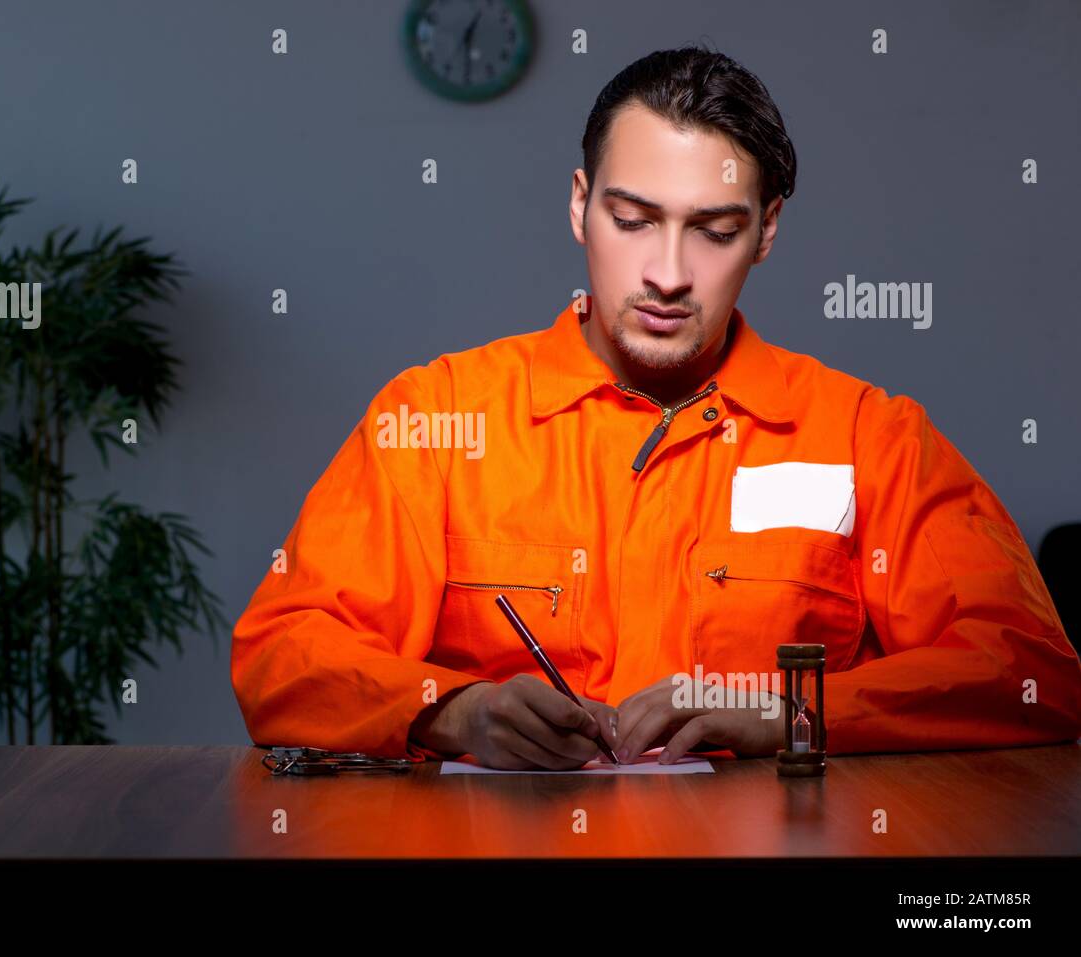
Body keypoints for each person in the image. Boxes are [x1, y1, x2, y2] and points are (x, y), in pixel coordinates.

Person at [231, 47, 1081, 770]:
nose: (667, 272)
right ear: (579, 206)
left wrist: (790, 712)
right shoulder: (438, 418)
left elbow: (1030, 670)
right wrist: (449, 708)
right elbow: (282, 652)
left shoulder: (871, 436)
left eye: (713, 230)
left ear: (767, 230)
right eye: (633, 218)